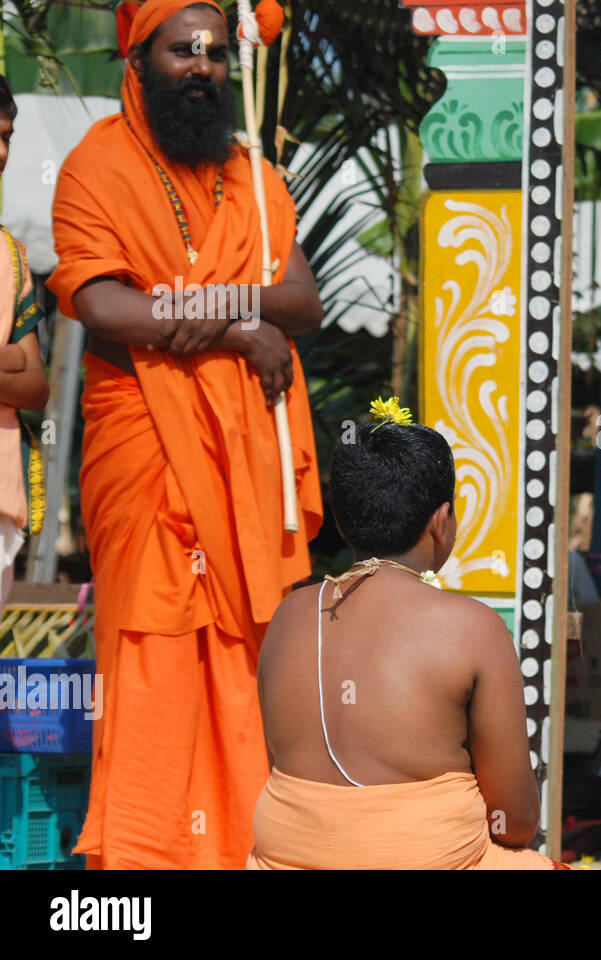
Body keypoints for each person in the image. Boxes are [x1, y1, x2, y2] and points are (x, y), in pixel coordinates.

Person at [46, 0, 324, 869]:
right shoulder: (95, 168)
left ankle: (246, 849)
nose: (202, 69)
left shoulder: (254, 178)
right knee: (156, 660)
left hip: (244, 464)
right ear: (138, 60)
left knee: (244, 669)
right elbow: (103, 305)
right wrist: (240, 326)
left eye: (214, 56)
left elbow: (303, 303)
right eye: (182, 53)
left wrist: (234, 311)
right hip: (146, 456)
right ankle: (146, 865)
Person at [249, 402, 562, 869]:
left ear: (339, 520)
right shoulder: (473, 627)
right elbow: (512, 820)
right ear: (442, 522)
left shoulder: (288, 615)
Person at [0, 75, 50, 607]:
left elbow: (36, 387)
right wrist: (8, 357)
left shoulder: (11, 256)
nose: (1, 151)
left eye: (7, 136)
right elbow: (19, 367)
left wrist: (18, 361)